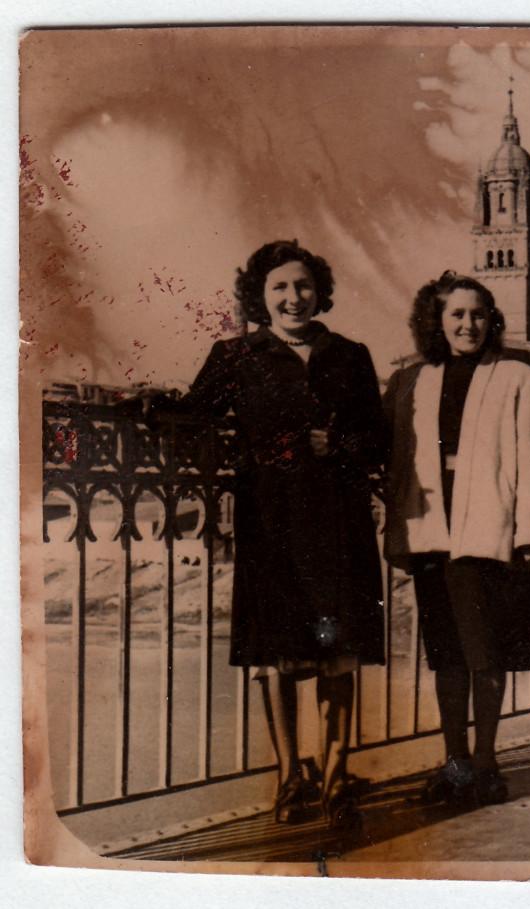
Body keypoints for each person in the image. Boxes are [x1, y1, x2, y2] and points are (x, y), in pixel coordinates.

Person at [140, 240, 387, 829]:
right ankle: (288, 778)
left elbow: (379, 441)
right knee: (277, 656)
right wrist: (146, 405)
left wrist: (342, 447)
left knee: (338, 657)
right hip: (271, 526)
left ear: (318, 291)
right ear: (261, 295)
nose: (292, 297)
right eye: (279, 287)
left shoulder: (351, 355)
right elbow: (193, 415)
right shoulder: (235, 356)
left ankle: (333, 779)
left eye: (302, 286)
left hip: (338, 527)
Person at [383, 271, 530, 806]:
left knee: (485, 650)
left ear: (492, 320)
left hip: (487, 527)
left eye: (478, 314)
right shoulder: (412, 380)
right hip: (432, 527)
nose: (468, 324)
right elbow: (393, 461)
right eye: (456, 314)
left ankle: (486, 763)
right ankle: (454, 762)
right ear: (436, 321)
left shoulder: (520, 378)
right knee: (446, 653)